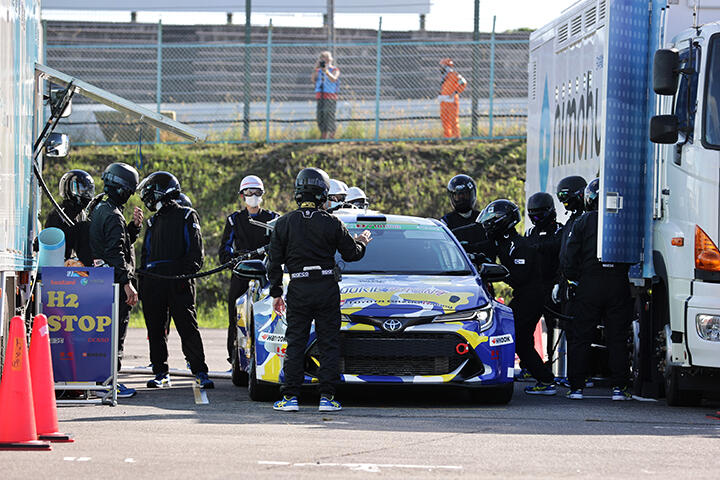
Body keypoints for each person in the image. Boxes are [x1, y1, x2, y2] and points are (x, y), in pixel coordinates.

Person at [268, 168, 371, 412]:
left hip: (299, 287)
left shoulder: (283, 224)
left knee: (295, 342)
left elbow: (273, 262)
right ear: (323, 195)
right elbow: (352, 254)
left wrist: (276, 293)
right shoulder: (332, 222)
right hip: (326, 287)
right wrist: (362, 242)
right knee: (329, 344)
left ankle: (290, 397)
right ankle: (327, 397)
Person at [137, 171, 213, 389]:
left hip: (179, 281)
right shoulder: (151, 223)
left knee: (187, 327)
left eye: (150, 191)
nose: (147, 196)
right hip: (154, 284)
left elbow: (195, 253)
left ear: (161, 191)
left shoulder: (188, 215)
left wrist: (184, 275)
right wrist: (143, 285)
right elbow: (146, 255)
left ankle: (200, 371)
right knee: (155, 329)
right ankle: (160, 372)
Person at [562, 178, 633, 401]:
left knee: (581, 336)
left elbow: (568, 258)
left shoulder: (582, 222)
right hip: (618, 283)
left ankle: (576, 388)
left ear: (590, 199)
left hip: (590, 284)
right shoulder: (623, 221)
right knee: (617, 337)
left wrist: (574, 279)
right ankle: (619, 388)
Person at [478, 199, 557, 395]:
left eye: (493, 219)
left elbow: (520, 277)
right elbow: (482, 245)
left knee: (519, 340)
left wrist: (497, 272)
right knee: (522, 338)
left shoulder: (518, 245)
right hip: (526, 296)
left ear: (503, 221)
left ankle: (546, 380)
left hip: (531, 297)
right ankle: (538, 374)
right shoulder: (504, 242)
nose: (489, 223)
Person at [89, 162, 143, 399]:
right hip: (114, 286)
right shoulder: (112, 215)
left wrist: (133, 228)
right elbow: (115, 253)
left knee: (104, 334)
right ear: (123, 189)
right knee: (115, 335)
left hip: (102, 284)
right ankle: (110, 381)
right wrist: (127, 283)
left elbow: (116, 244)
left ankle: (103, 379)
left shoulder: (101, 209)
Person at [218, 175, 279, 365]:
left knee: (267, 318)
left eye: (257, 192)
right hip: (241, 274)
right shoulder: (234, 220)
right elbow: (224, 249)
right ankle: (234, 360)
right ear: (242, 195)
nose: (253, 196)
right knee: (235, 319)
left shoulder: (273, 219)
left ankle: (267, 360)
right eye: (248, 192)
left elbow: (280, 246)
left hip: (266, 278)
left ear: (262, 195)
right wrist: (233, 261)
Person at [524, 192, 563, 375]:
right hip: (533, 288)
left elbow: (563, 257)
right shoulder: (530, 233)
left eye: (539, 215)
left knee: (554, 327)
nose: (536, 219)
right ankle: (529, 365)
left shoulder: (560, 232)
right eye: (533, 215)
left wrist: (558, 283)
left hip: (551, 287)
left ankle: (553, 364)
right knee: (527, 328)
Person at [45, 169, 95, 266]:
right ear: (70, 189)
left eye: (87, 190)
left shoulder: (81, 213)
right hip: (60, 263)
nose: (86, 193)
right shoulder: (60, 212)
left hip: (74, 262)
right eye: (82, 189)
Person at [440, 174, 495, 263]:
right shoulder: (446, 221)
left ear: (472, 195)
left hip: (485, 268)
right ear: (452, 197)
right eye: (458, 196)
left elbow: (493, 245)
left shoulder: (483, 218)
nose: (462, 199)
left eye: (465, 195)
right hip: (458, 269)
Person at [311, 51, 340, 139]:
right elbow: (313, 79)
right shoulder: (318, 71)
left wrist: (326, 71)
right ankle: (323, 135)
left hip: (330, 95)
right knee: (320, 116)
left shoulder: (334, 70)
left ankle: (331, 135)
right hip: (320, 95)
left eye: (326, 60)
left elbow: (333, 79)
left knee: (329, 115)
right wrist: (316, 68)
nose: (325, 62)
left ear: (330, 60)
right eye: (323, 60)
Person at [439, 58, 467, 139]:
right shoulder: (445, 77)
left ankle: (456, 138)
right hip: (444, 101)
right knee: (444, 120)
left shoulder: (454, 75)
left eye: (442, 66)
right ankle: (447, 137)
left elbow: (463, 82)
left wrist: (455, 92)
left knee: (453, 120)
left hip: (452, 101)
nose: (440, 68)